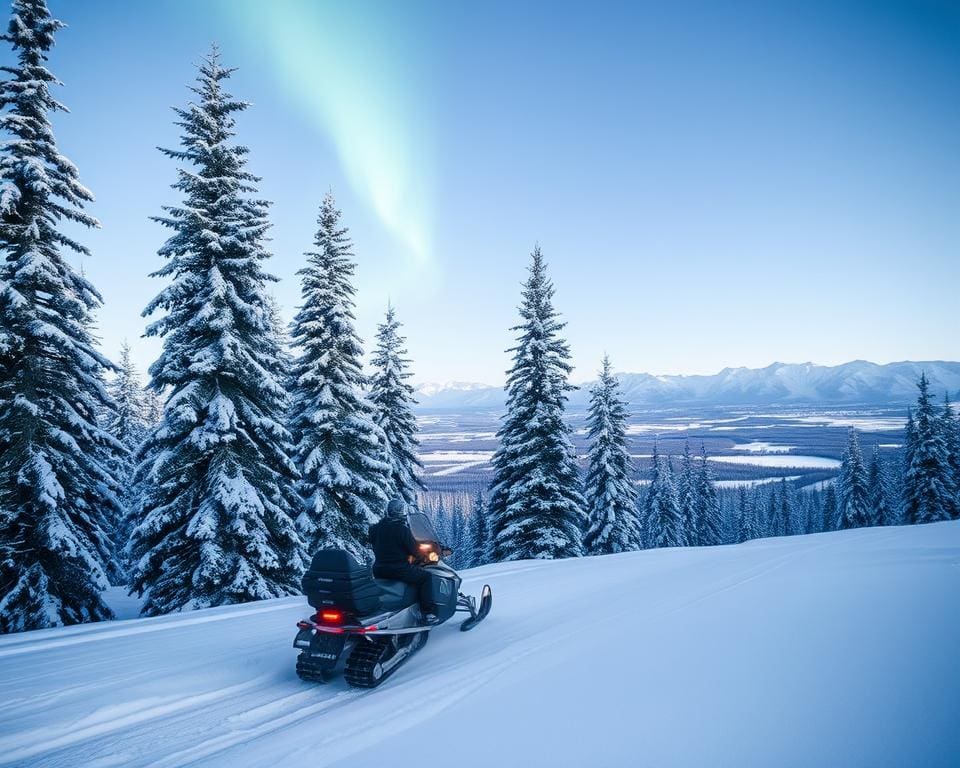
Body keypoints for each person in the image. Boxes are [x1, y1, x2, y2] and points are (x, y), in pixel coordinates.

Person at [368, 499, 437, 623]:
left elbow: (376, 544)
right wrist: (424, 557)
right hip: (398, 569)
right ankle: (428, 613)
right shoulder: (401, 529)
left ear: (387, 511)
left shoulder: (375, 529)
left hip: (379, 569)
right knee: (426, 577)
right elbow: (415, 550)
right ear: (401, 513)